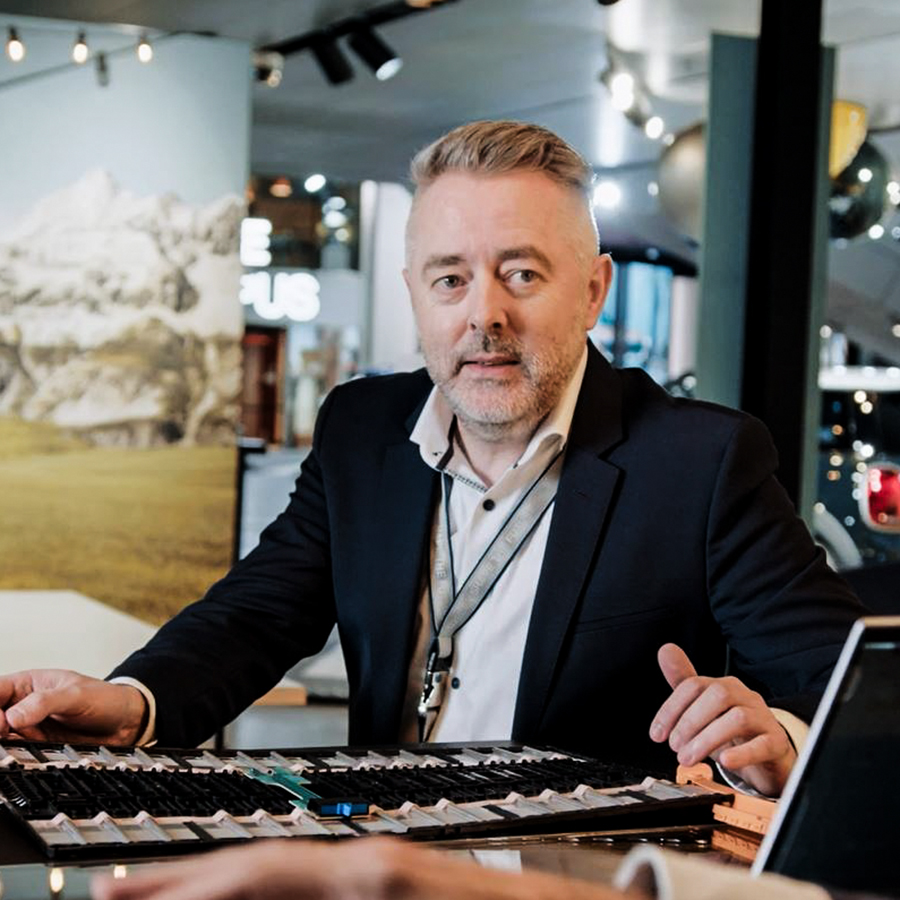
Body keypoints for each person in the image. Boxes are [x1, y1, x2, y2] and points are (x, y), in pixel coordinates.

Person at [0, 121, 865, 798]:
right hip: (381, 863)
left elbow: (848, 687)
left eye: (522, 274)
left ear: (594, 288)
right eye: (450, 278)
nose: (483, 314)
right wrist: (133, 701)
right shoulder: (361, 432)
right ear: (415, 291)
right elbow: (257, 616)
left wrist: (779, 737)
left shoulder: (701, 461)